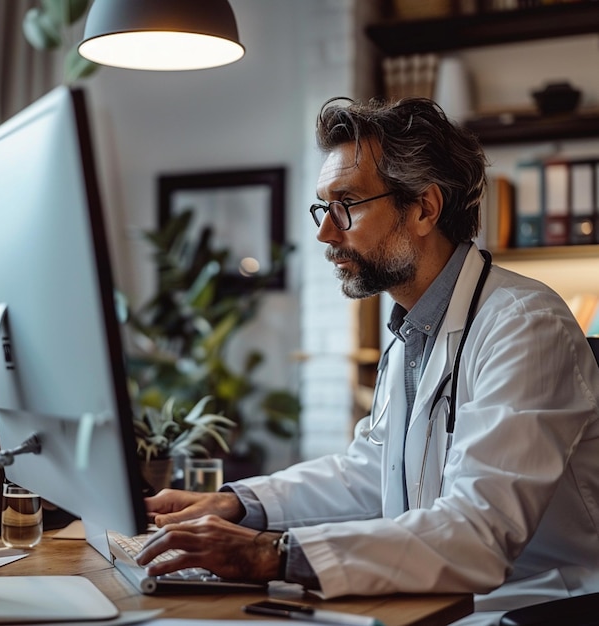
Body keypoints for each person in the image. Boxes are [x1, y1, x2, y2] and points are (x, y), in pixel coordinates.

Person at [135, 97, 599, 625]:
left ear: (424, 208)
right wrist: (236, 505)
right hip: (429, 599)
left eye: (347, 204)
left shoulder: (524, 325)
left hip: (538, 606)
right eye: (323, 207)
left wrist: (271, 553)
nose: (325, 234)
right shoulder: (411, 328)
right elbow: (371, 471)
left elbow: (477, 533)